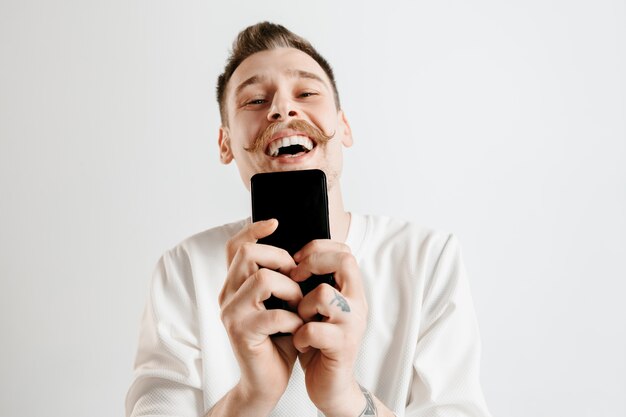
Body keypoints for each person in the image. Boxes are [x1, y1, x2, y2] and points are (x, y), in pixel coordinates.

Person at [126, 22, 492, 417]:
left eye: (307, 92)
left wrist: (345, 399)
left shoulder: (427, 259)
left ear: (344, 126)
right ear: (226, 143)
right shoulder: (185, 270)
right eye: (253, 100)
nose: (282, 108)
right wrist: (252, 396)